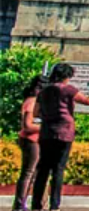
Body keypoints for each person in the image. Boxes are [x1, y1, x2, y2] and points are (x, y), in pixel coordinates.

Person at [32, 64, 89, 211]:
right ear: (67, 76)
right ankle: (54, 206)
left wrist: (49, 114)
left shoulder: (44, 91)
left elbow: (36, 112)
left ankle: (36, 204)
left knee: (43, 169)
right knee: (58, 169)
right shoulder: (68, 89)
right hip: (64, 132)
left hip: (47, 132)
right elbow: (88, 101)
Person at [12, 76, 45, 211]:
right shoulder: (31, 102)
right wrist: (46, 127)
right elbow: (27, 126)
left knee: (34, 174)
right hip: (31, 140)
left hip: (37, 140)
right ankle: (19, 204)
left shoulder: (37, 102)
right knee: (28, 173)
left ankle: (25, 203)